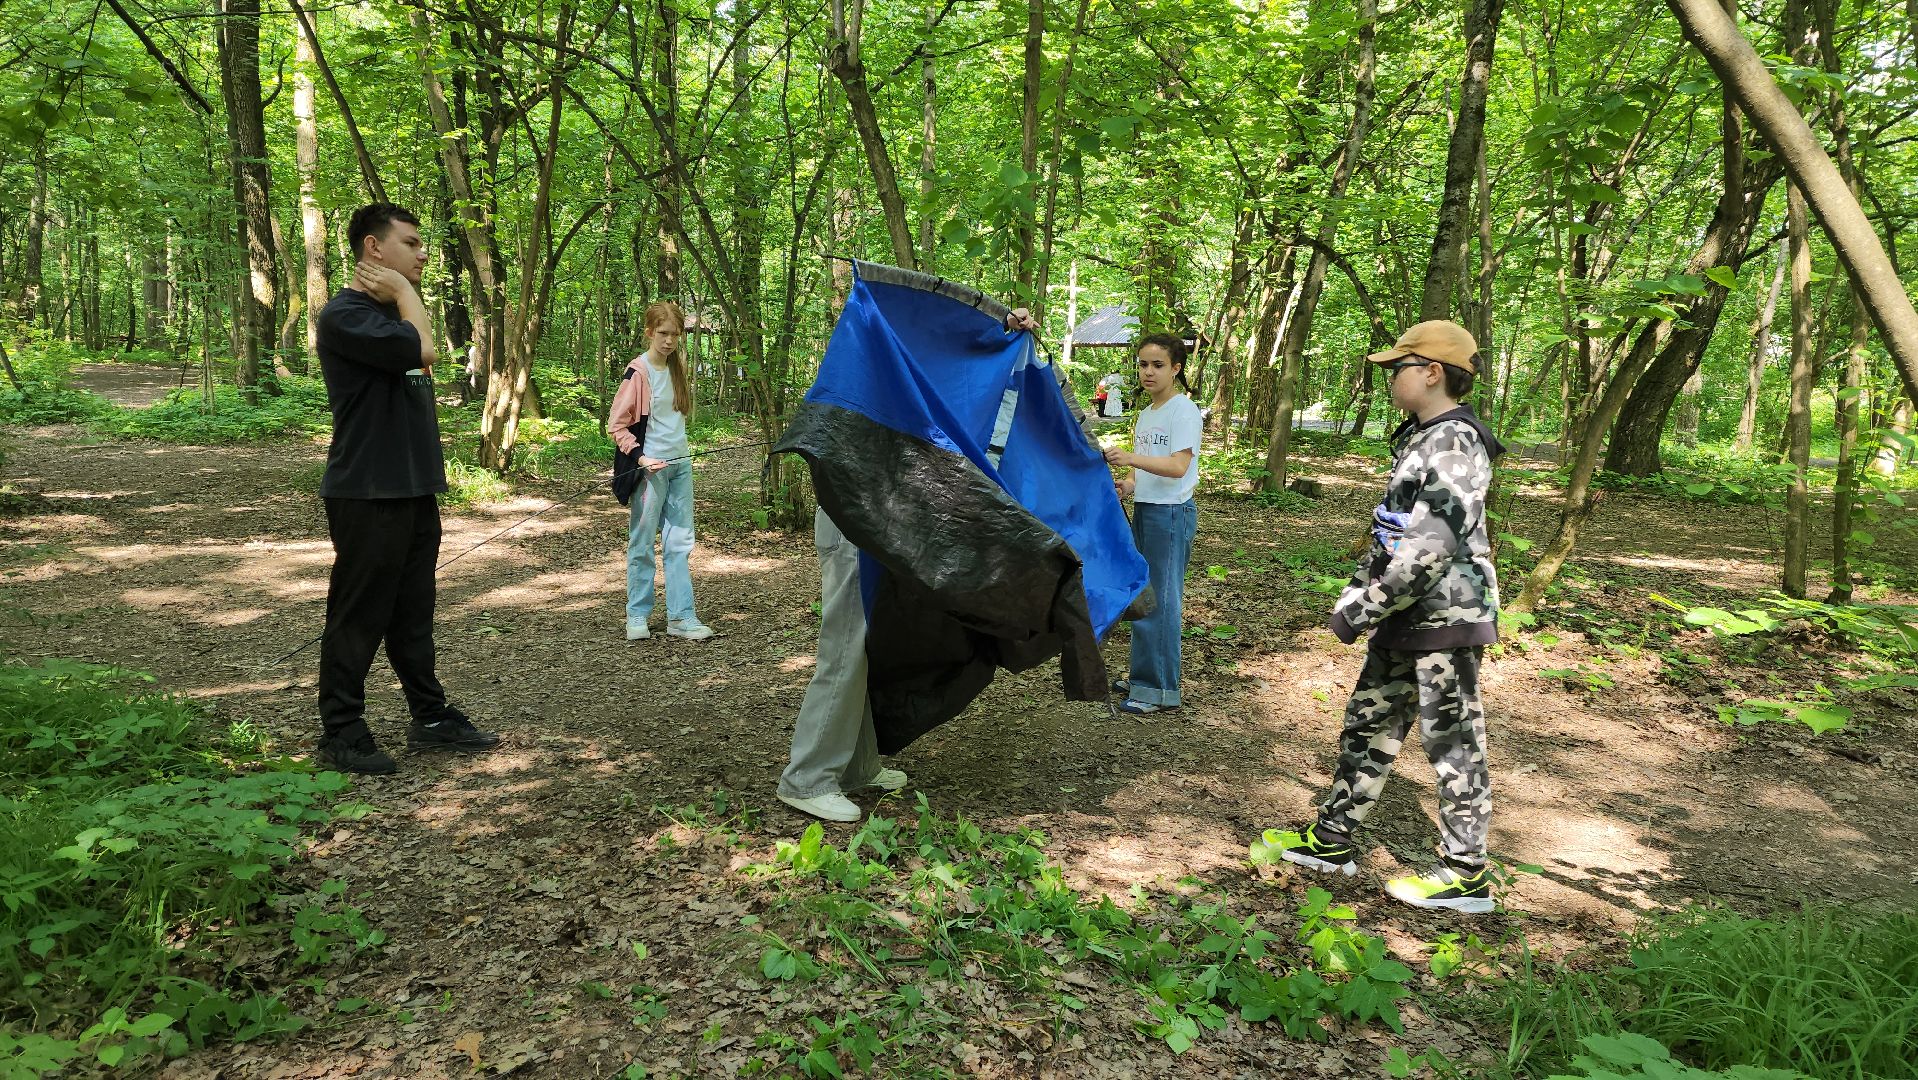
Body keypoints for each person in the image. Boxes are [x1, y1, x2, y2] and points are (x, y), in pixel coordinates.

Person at [1252, 320, 1506, 914]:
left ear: (1432, 372)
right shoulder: (1424, 438)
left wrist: (1362, 608)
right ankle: (1333, 839)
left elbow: (1430, 548)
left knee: (1454, 743)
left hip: (1444, 618)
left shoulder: (1454, 443)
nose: (1391, 379)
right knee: (1368, 723)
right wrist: (1359, 592)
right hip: (1403, 617)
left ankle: (1466, 874)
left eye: (1399, 368)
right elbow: (1390, 536)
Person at [777, 307, 1040, 822]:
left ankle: (857, 765)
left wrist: (1000, 333)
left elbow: (955, 381)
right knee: (846, 647)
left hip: (879, 526)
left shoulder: (899, 383)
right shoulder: (862, 377)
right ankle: (806, 778)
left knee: (868, 644)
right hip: (854, 523)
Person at [313, 203, 500, 775]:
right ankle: (341, 731)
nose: (422, 254)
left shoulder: (392, 316)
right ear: (374, 248)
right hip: (368, 492)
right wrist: (404, 293)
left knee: (413, 612)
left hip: (413, 489)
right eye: (411, 243)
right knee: (359, 613)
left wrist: (403, 298)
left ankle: (431, 716)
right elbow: (423, 352)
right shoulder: (346, 316)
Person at [1104, 333, 1201, 716]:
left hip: (1171, 516)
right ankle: (1144, 675)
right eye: (1143, 364)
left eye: (1158, 365)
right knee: (1143, 596)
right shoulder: (1147, 413)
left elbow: (1178, 467)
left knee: (1161, 601)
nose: (1148, 371)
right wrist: (1128, 485)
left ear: (1176, 368)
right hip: (1147, 510)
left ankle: (1159, 689)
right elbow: (1150, 467)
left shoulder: (1183, 411)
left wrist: (1130, 458)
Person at [610, 300, 715, 642]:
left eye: (676, 334)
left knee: (680, 543)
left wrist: (680, 455)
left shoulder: (676, 368)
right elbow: (617, 426)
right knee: (642, 543)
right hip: (651, 470)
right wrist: (641, 459)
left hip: (681, 464)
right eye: (664, 333)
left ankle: (681, 618)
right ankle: (637, 615)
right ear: (650, 333)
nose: (670, 340)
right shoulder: (637, 372)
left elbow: (674, 419)